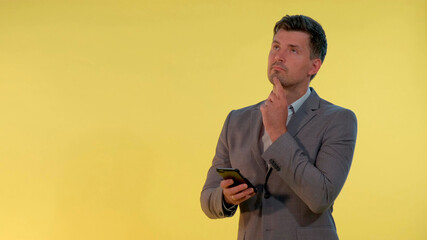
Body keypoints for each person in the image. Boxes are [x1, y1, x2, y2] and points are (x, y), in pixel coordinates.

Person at [200, 15, 357, 240]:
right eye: (276, 46)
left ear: (314, 66)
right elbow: (207, 198)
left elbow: (320, 197)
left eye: (293, 50)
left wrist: (278, 133)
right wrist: (225, 198)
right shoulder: (236, 120)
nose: (278, 56)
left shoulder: (338, 120)